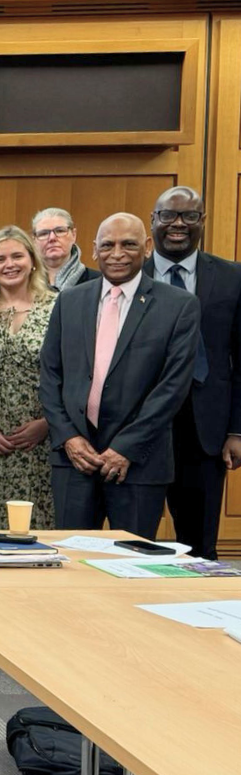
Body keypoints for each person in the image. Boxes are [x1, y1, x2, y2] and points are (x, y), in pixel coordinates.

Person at [40, 213, 201, 539]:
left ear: (147, 247)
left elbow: (173, 387)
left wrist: (127, 447)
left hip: (140, 461)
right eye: (107, 245)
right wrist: (68, 437)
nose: (117, 254)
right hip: (75, 460)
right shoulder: (69, 301)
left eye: (128, 244)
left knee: (132, 561)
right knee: (70, 558)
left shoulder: (179, 305)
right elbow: (50, 375)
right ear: (94, 249)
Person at [143, 188, 241, 560]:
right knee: (134, 543)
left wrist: (237, 430)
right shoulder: (130, 275)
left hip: (205, 431)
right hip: (140, 426)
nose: (178, 224)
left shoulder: (233, 277)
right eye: (168, 215)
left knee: (200, 549)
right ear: (153, 220)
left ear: (203, 221)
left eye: (189, 216)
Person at [0, 227, 56, 530]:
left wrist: (47, 424)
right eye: (0, 259)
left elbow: (74, 374)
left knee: (36, 529)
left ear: (32, 261)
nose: (9, 264)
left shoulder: (58, 307)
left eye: (17, 256)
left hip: (41, 443)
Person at [33, 207, 99, 291]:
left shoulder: (98, 282)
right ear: (34, 241)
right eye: (44, 233)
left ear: (74, 235)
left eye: (60, 231)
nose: (52, 238)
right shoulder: (24, 282)